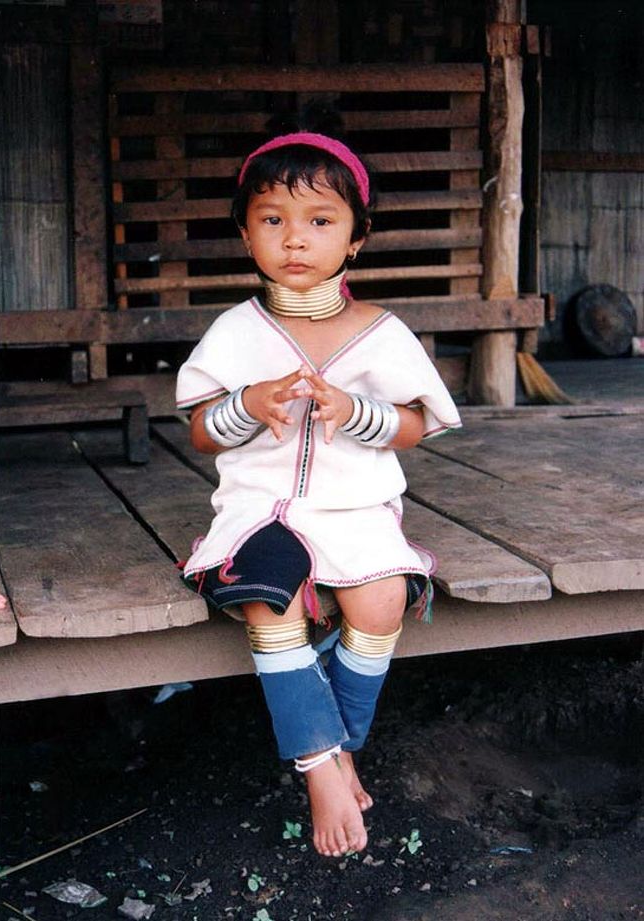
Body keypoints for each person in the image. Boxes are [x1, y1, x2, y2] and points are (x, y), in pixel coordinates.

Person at [176, 129, 461, 858]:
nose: (294, 239)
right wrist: (248, 401)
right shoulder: (236, 331)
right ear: (245, 234)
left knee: (383, 598)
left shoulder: (380, 332)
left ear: (357, 239)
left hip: (355, 508)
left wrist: (352, 410)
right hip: (260, 507)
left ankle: (342, 744)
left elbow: (413, 425)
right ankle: (316, 765)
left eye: (320, 221)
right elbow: (202, 432)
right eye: (272, 219)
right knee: (265, 593)